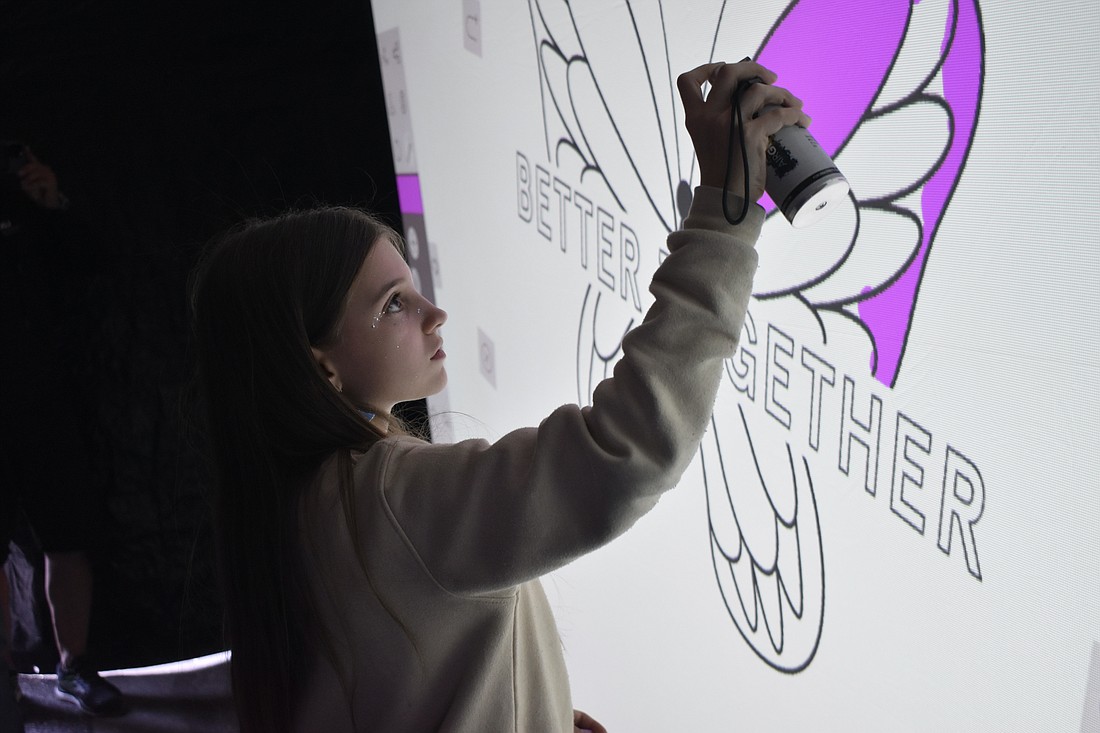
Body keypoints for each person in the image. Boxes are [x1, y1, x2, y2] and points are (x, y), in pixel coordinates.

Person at [190, 60, 809, 733]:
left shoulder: (301, 494)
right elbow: (623, 452)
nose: (433, 314)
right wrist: (723, 219)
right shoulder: (388, 495)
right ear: (323, 366)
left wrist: (524, 709)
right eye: (393, 304)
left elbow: (394, 680)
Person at [0, 143, 124, 716]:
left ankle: (74, 667)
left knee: (68, 538)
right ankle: (5, 680)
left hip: (46, 399)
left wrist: (53, 204)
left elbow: (97, 259)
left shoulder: (25, 195)